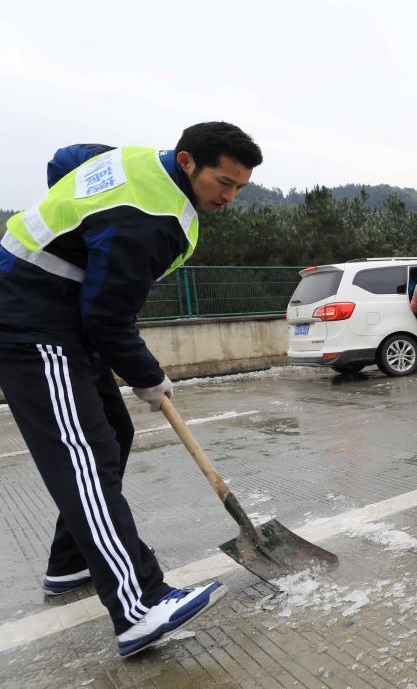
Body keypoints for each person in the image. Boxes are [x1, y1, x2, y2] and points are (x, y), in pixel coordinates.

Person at [0, 123, 262, 657]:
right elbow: (108, 317)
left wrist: (74, 223)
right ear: (188, 161)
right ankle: (139, 604)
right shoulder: (149, 219)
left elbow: (66, 156)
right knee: (84, 456)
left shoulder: (136, 161)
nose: (229, 197)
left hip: (61, 310)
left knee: (113, 431)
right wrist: (148, 375)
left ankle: (71, 561)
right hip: (30, 315)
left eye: (240, 187)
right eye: (223, 182)